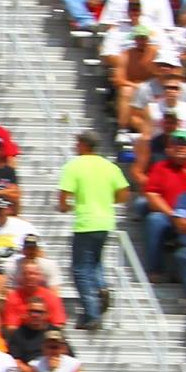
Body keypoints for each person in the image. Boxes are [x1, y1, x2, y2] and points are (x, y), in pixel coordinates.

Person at [57, 131, 128, 330]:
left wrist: (66, 207)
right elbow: (124, 194)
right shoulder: (109, 166)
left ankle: (91, 313)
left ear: (82, 145)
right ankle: (101, 287)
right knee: (95, 263)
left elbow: (63, 198)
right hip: (105, 222)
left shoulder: (74, 165)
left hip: (85, 222)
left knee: (80, 269)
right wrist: (107, 201)